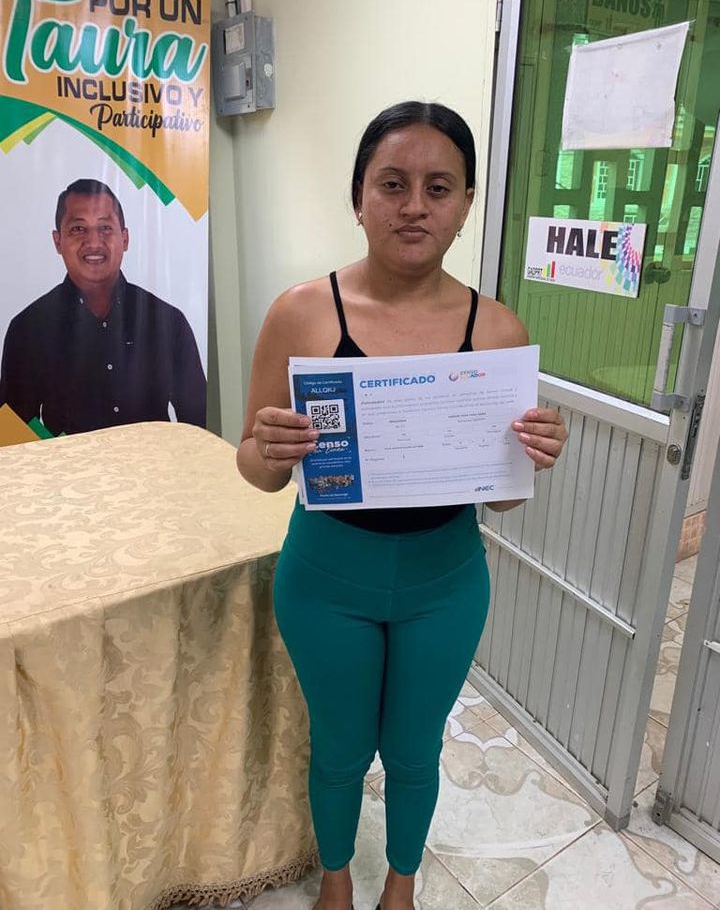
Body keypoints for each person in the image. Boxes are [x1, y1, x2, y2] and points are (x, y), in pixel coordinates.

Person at [236, 102, 568, 910]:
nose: (414, 206)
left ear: (465, 204)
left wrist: (532, 454)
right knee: (340, 749)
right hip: (325, 579)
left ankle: (402, 887)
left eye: (438, 187)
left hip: (443, 581)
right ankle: (336, 883)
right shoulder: (301, 313)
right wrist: (267, 449)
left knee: (416, 752)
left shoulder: (498, 332)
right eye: (392, 184)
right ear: (359, 197)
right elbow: (254, 468)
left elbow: (504, 501)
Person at [0, 178, 206, 436]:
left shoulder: (167, 322)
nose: (94, 242)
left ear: (125, 238)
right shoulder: (29, 328)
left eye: (105, 228)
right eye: (78, 229)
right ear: (57, 241)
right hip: (70, 464)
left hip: (153, 462)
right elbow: (15, 431)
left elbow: (199, 425)